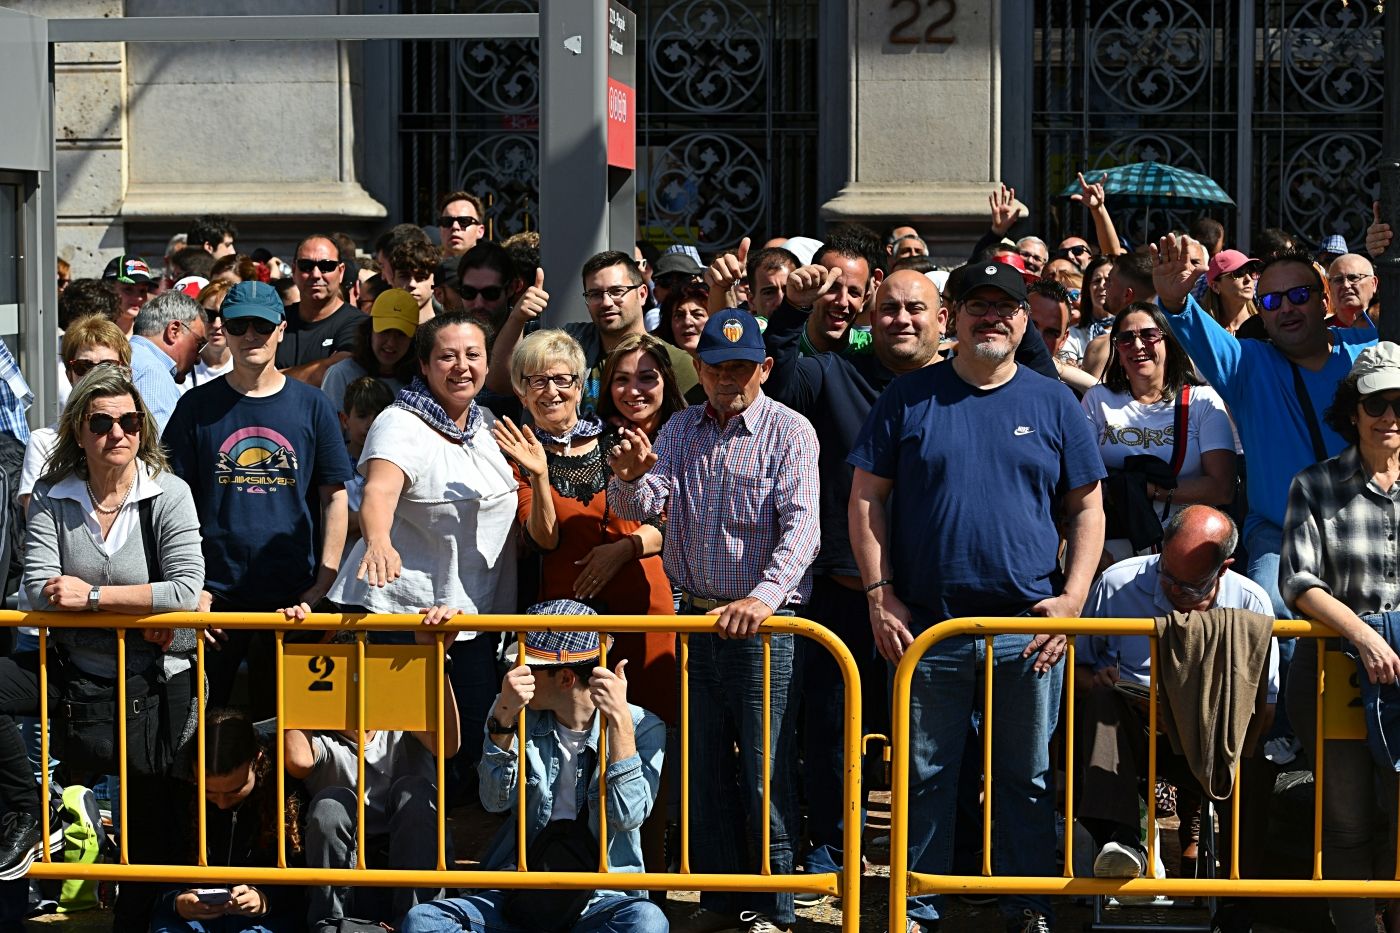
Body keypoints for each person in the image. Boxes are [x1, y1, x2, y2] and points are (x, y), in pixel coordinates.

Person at [847, 260, 1106, 933]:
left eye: (1006, 307)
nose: (991, 317)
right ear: (953, 317)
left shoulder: (1055, 402)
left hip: (1030, 628)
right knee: (925, 777)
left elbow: (1087, 509)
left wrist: (1074, 597)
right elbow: (867, 498)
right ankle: (918, 908)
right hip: (927, 628)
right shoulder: (907, 398)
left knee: (1026, 778)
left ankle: (1029, 904)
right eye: (978, 306)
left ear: (1026, 320)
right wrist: (880, 595)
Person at [609, 308, 820, 933]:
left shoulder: (791, 431)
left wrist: (764, 597)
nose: (728, 379)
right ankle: (724, 900)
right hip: (697, 621)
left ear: (765, 367)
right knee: (703, 765)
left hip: (766, 628)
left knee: (766, 765)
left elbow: (803, 528)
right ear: (697, 368)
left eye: (740, 368)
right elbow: (650, 505)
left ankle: (775, 905)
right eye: (715, 367)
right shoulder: (678, 428)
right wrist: (628, 481)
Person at [7, 365, 204, 932]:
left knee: (150, 820)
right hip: (71, 671)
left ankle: (140, 922)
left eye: (129, 421)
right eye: (101, 423)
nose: (117, 433)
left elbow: (186, 590)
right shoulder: (52, 495)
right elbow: (36, 588)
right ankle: (29, 806)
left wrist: (92, 597)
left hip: (156, 675)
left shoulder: (169, 493)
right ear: (78, 433)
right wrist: (139, 608)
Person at [326, 311, 517, 786]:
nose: (461, 366)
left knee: (470, 751)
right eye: (447, 356)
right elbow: (378, 494)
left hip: (474, 617)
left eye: (472, 355)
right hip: (403, 618)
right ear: (425, 365)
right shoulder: (399, 423)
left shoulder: (488, 423)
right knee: (414, 759)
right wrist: (378, 541)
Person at [1077, 506, 1276, 933]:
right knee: (1101, 702)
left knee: (1256, 765)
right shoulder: (1117, 584)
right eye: (1166, 574)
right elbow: (1077, 664)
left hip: (1213, 738)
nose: (1171, 589)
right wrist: (1097, 679)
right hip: (1135, 729)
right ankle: (1123, 843)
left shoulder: (1251, 601)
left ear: (1224, 568)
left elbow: (1267, 703)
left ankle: (1239, 899)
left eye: (1188, 586)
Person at [164, 280, 352, 722]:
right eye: (239, 324)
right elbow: (172, 501)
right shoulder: (196, 406)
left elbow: (335, 497)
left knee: (285, 731)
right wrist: (192, 589)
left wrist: (321, 588)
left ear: (281, 330)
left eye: (262, 325)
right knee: (202, 731)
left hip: (292, 602)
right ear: (223, 330)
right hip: (214, 600)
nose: (251, 334)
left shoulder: (313, 405)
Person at [401, 624, 667, 933]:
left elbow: (627, 816)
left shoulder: (643, 726)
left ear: (566, 678)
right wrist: (503, 719)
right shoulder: (514, 710)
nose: (515, 674)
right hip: (521, 888)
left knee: (647, 922)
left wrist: (619, 721)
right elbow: (492, 801)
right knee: (424, 920)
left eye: (529, 668)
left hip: (601, 894)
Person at [494, 329, 675, 728]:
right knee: (577, 734)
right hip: (568, 622)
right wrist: (539, 475)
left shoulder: (622, 438)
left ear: (580, 387)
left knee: (654, 728)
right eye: (536, 381)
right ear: (521, 392)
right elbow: (544, 539)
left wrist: (623, 549)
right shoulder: (516, 456)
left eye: (562, 379)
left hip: (643, 610)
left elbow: (669, 522)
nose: (551, 391)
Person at [1279, 343, 1400, 933]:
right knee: (1347, 823)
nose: (1390, 415)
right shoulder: (1316, 483)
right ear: (1352, 410)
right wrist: (1367, 638)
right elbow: (1298, 581)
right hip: (1335, 672)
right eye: (1376, 402)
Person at [286, 608, 460, 931]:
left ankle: (423, 923)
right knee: (330, 803)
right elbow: (299, 760)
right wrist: (299, 665)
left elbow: (448, 744)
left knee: (416, 792)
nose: (353, 683)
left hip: (412, 862)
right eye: (340, 674)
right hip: (350, 871)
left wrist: (434, 658)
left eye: (360, 671)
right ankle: (329, 925)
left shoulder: (400, 715)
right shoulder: (320, 738)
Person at [1082, 302, 1238, 561]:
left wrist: (1149, 489)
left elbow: (1222, 488)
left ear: (1169, 342)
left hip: (1186, 545)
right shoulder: (1097, 399)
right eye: (1126, 338)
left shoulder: (1201, 401)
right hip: (1112, 541)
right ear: (1117, 350)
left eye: (1149, 335)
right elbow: (1083, 477)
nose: (1138, 345)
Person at [150, 708, 304, 933]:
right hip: (193, 918)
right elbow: (160, 860)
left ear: (257, 761)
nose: (221, 803)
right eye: (209, 792)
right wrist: (177, 901)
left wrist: (265, 900)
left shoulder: (284, 792)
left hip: (265, 918)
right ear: (193, 770)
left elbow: (303, 873)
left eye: (235, 790)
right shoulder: (179, 792)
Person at [488, 251, 698, 411]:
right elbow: (502, 383)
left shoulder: (675, 362)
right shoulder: (568, 344)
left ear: (642, 294)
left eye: (617, 291)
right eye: (595, 294)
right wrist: (517, 319)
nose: (606, 302)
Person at [19, 316, 131, 513]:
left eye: (107, 366)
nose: (94, 376)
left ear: (126, 372)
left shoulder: (135, 433)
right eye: (83, 367)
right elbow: (35, 523)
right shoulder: (44, 442)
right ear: (69, 374)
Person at [277, 236, 362, 388]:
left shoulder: (360, 324)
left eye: (326, 266)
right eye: (306, 265)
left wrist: (270, 379)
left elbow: (333, 372)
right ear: (294, 270)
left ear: (341, 272)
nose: (316, 274)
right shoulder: (275, 319)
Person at [321, 288, 419, 415]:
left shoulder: (421, 381)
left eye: (401, 334)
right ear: (369, 331)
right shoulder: (340, 374)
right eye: (385, 331)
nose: (391, 342)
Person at [129, 291, 209, 432]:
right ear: (174, 331)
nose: (198, 359)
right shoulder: (153, 374)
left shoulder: (123, 357)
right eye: (199, 344)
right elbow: (163, 449)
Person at [596, 333, 687, 441]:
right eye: (622, 379)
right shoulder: (594, 440)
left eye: (646, 378)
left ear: (666, 381)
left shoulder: (692, 436)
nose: (633, 391)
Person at [339, 376, 394, 550]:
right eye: (362, 416)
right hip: (344, 570)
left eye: (379, 416)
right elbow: (332, 521)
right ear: (345, 420)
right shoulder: (334, 468)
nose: (371, 424)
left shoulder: (399, 466)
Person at [1203, 250, 1265, 338]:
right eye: (1238, 273)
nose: (1248, 279)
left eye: (1251, 272)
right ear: (1215, 286)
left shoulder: (1265, 326)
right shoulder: (1203, 330)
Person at [389, 239, 441, 322]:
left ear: (435, 280)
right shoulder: (378, 330)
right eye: (404, 276)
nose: (412, 284)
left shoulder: (450, 331)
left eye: (421, 276)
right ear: (392, 279)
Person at [102, 254, 155, 336]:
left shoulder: (152, 335)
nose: (139, 298)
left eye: (142, 290)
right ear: (109, 288)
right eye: (128, 289)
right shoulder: (91, 334)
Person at [1327, 253, 1378, 328]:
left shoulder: (1391, 325)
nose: (1346, 285)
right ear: (1329, 287)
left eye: (1354, 278)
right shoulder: (1320, 333)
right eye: (1338, 280)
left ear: (1373, 283)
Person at [436, 191, 487, 258]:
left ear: (480, 231)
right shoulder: (427, 267)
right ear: (440, 230)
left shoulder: (493, 267)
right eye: (447, 221)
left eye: (464, 221)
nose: (455, 227)